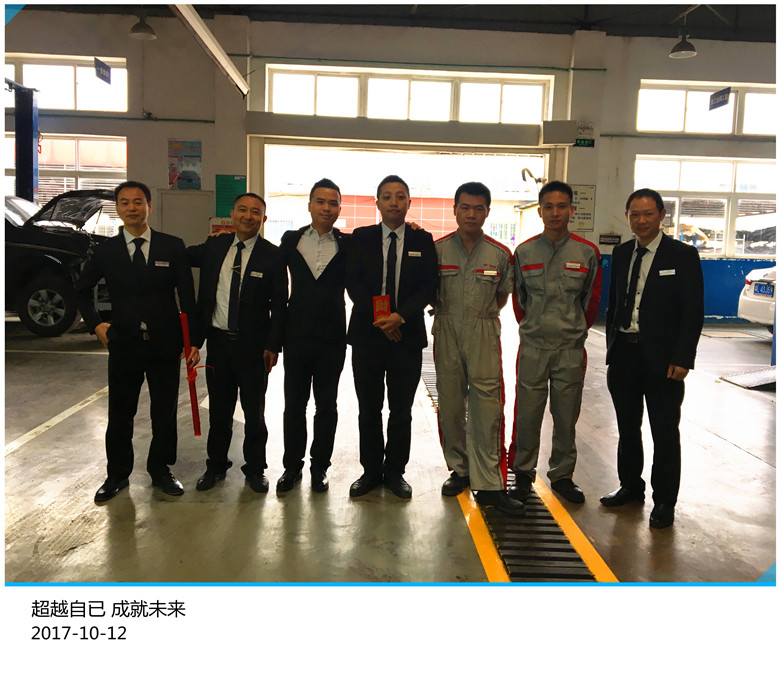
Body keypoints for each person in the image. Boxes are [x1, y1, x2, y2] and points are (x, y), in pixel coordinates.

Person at [76, 180, 200, 503]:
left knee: (164, 411)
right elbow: (81, 290)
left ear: (149, 206)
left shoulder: (172, 246)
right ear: (118, 208)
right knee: (121, 412)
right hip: (124, 343)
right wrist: (96, 324)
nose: (132, 208)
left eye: (138, 202)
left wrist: (193, 341)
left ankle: (161, 469)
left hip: (165, 344)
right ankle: (117, 474)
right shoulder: (106, 251)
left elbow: (188, 298)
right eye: (125, 202)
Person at [600, 188, 704, 529]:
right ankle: (631, 486)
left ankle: (664, 502)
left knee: (664, 431)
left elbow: (693, 312)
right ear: (627, 217)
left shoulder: (682, 255)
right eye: (635, 214)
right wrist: (612, 347)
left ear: (661, 216)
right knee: (627, 428)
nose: (641, 220)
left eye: (648, 214)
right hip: (624, 356)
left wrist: (683, 357)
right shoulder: (621, 253)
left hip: (664, 361)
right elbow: (615, 303)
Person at [434, 182, 524, 516]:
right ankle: (460, 469)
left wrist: (480, 316)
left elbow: (502, 297)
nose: (471, 214)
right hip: (446, 328)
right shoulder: (437, 251)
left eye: (478, 208)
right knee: (450, 403)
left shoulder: (500, 254)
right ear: (455, 210)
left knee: (488, 406)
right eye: (465, 207)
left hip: (484, 330)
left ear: (487, 212)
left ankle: (490, 484)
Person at [186, 193, 287, 494]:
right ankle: (215, 466)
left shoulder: (273, 255)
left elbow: (280, 305)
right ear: (232, 214)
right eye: (242, 210)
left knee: (254, 413)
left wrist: (273, 345)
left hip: (254, 348)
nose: (248, 216)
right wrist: (194, 341)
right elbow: (178, 256)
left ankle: (255, 469)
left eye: (255, 212)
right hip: (218, 344)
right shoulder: (214, 247)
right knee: (219, 411)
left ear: (263, 219)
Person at [345, 175, 437, 499]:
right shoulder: (361, 237)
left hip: (406, 338)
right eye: (387, 196)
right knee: (368, 409)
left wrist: (400, 317)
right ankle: (371, 471)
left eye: (400, 196)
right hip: (368, 336)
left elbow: (429, 286)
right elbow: (353, 282)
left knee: (401, 410)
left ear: (409, 202)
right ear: (378, 203)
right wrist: (382, 319)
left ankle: (395, 472)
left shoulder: (422, 240)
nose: (394, 202)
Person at [509, 180, 601, 504]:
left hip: (569, 350)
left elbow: (591, 302)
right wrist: (534, 327)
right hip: (533, 348)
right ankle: (523, 473)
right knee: (527, 414)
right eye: (548, 207)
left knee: (566, 415)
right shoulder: (524, 252)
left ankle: (562, 476)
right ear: (540, 211)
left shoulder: (587, 253)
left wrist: (572, 330)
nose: (555, 212)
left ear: (572, 210)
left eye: (562, 206)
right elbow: (519, 300)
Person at [276, 178, 349, 493]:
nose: (326, 208)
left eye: (333, 203)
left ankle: (320, 467)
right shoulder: (290, 239)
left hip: (332, 337)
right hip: (296, 334)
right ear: (309, 205)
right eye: (321, 201)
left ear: (339, 209)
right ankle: (292, 467)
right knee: (294, 404)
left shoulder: (348, 244)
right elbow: (276, 284)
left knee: (327, 405)